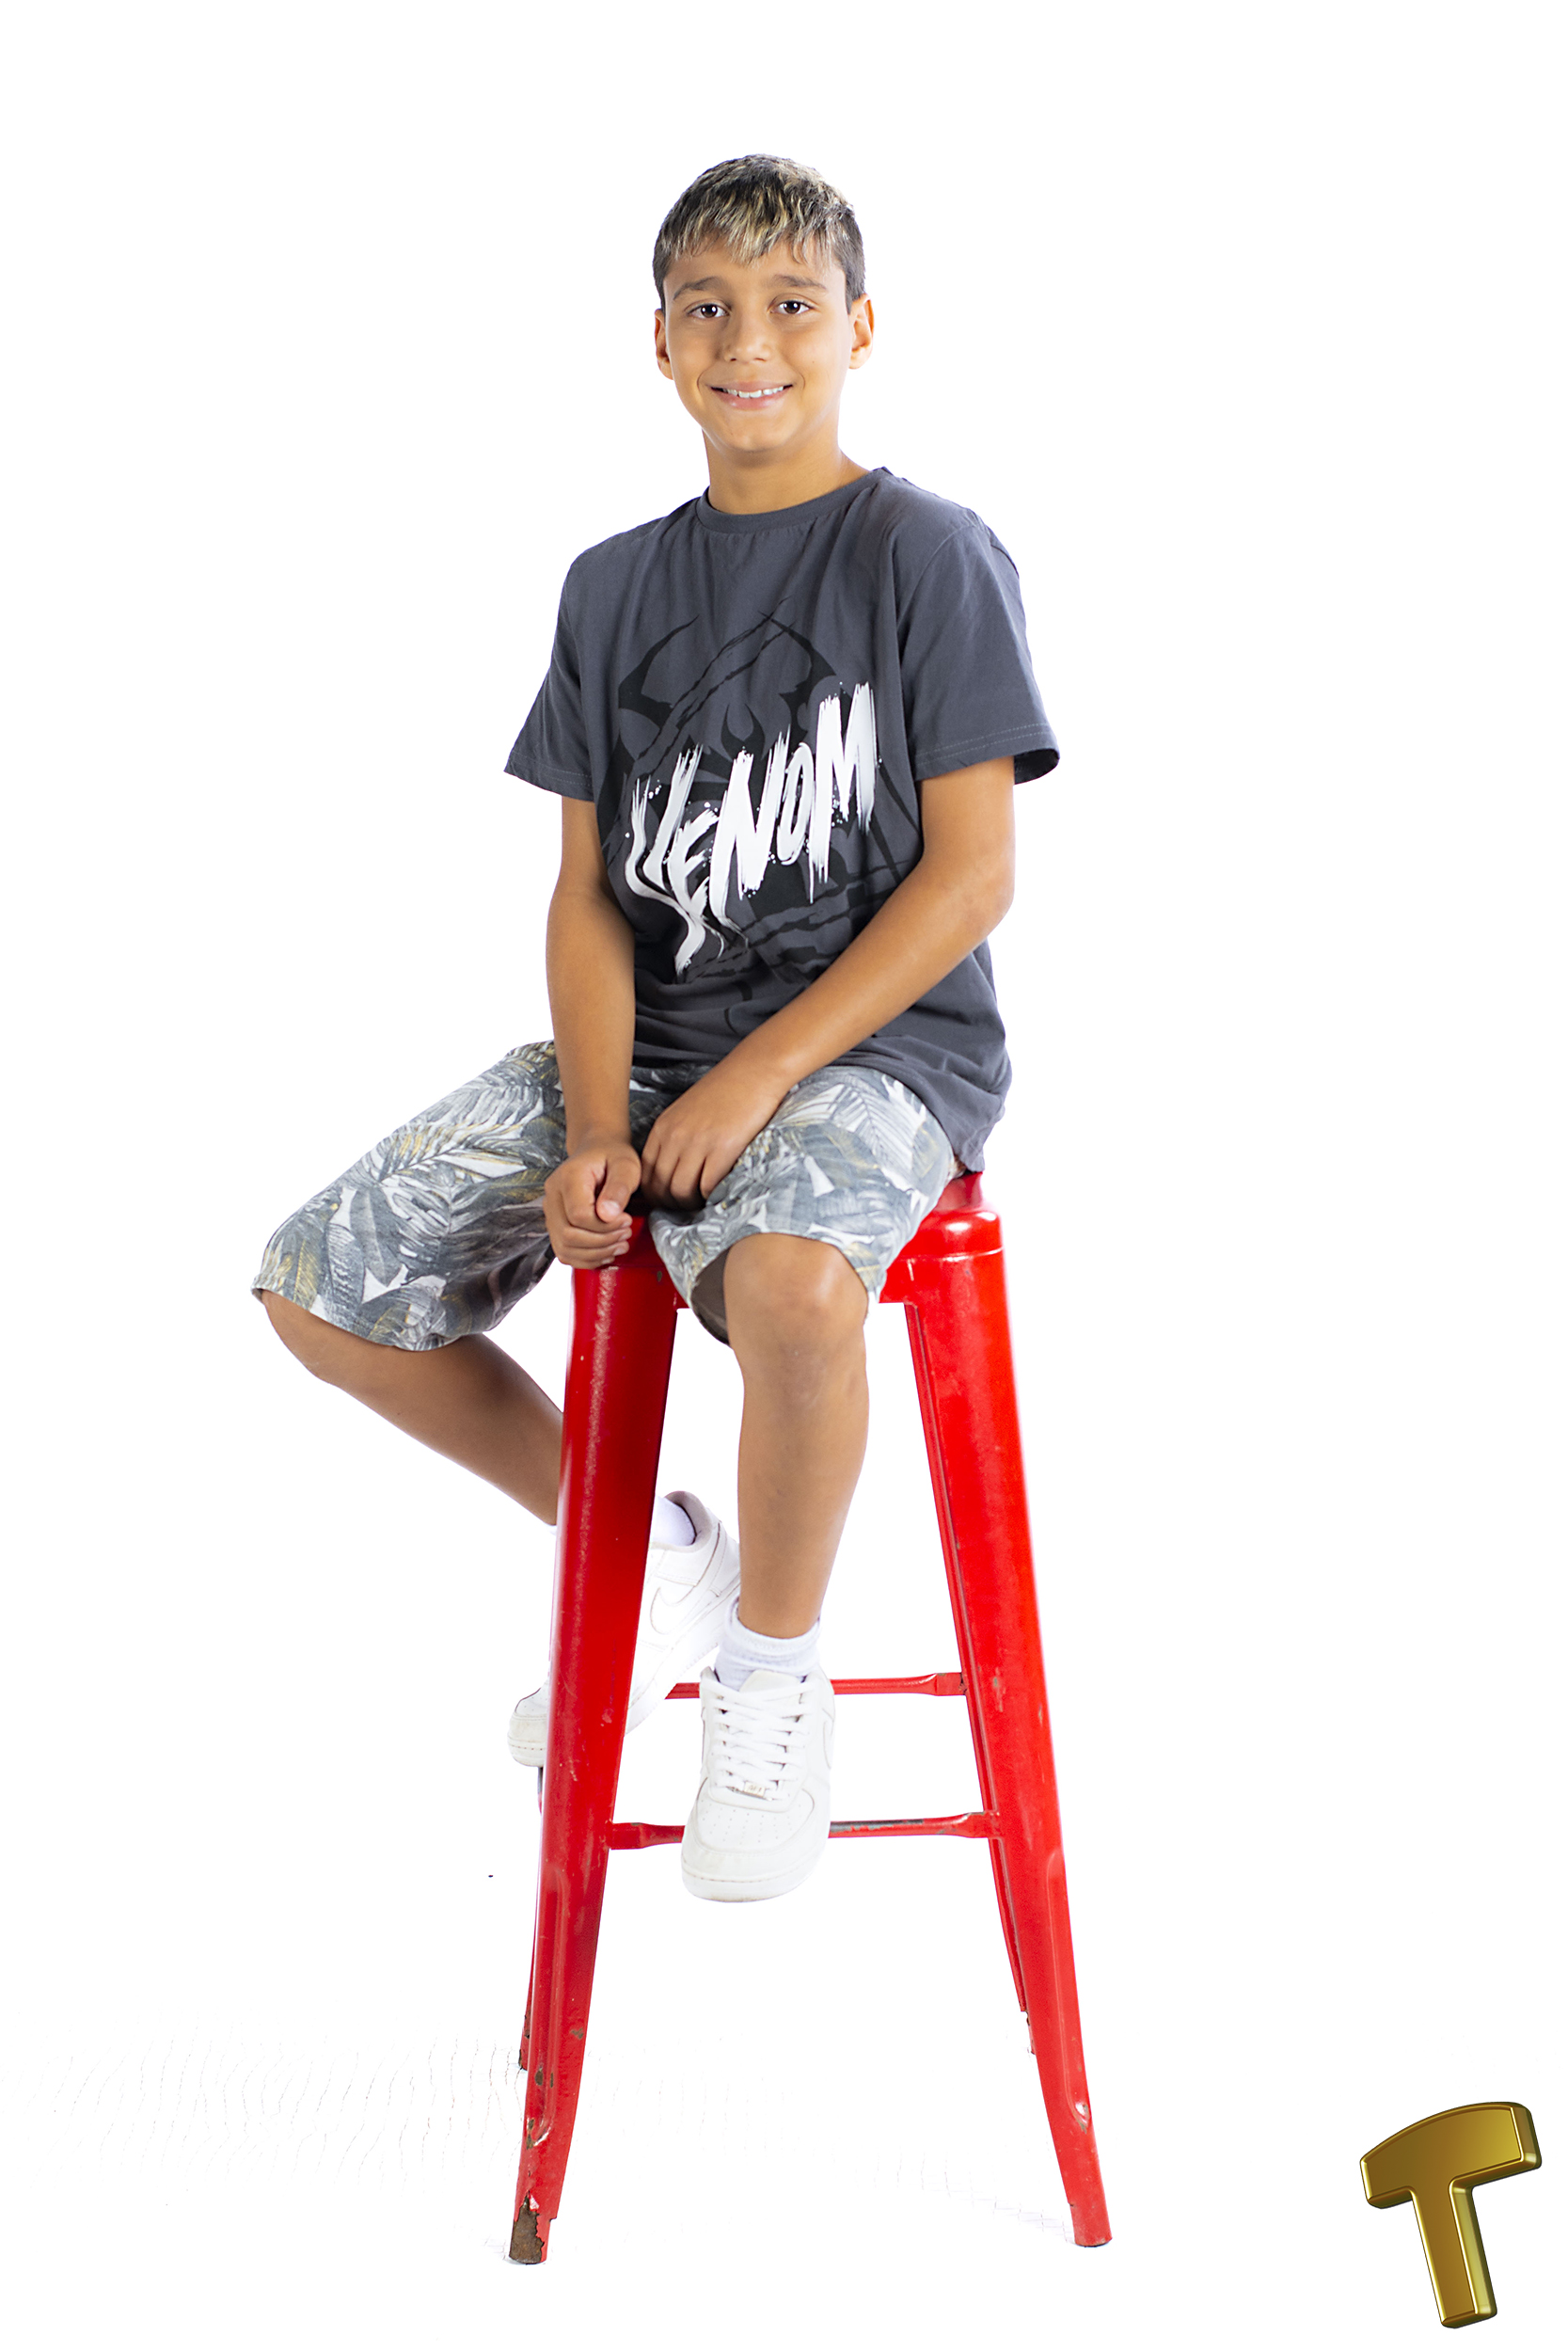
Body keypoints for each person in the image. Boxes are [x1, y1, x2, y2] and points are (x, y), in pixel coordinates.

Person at [254, 153, 1058, 1904]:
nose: (748, 341)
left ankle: (769, 1672)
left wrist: (759, 1078)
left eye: (789, 306)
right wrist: (603, 1120)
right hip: (654, 1052)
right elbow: (587, 896)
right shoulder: (612, 586)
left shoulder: (926, 554)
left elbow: (973, 875)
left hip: (875, 1054)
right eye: (708, 307)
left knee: (791, 1285)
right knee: (318, 1285)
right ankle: (661, 1561)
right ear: (661, 339)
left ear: (859, 329)